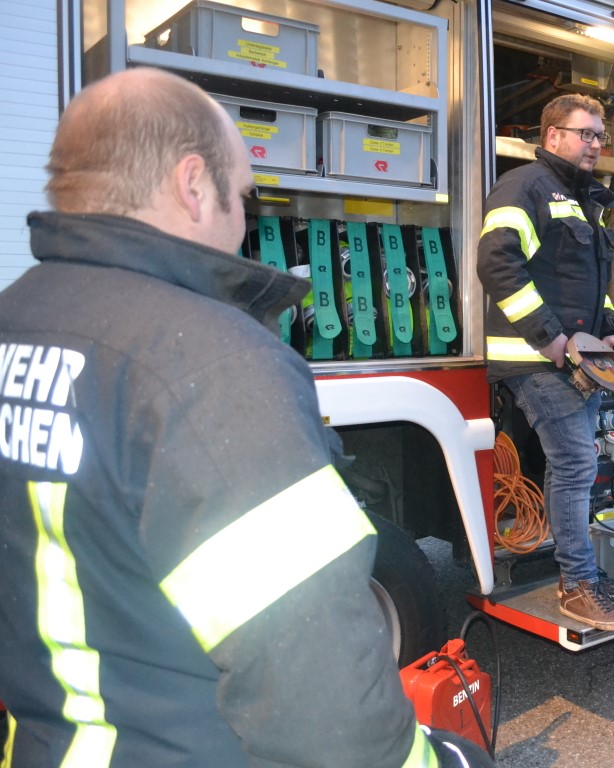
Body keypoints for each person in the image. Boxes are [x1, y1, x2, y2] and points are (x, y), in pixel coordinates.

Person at [0, 68, 491, 767]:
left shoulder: (17, 322)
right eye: (242, 195)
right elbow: (323, 705)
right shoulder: (213, 364)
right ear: (192, 184)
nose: (243, 221)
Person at [477, 94, 614, 631]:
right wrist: (551, 339)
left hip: (576, 361)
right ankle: (577, 585)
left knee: (576, 466)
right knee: (575, 464)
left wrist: (609, 330)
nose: (594, 144)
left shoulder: (582, 199)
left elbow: (589, 289)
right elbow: (496, 263)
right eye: (584, 134)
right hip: (534, 359)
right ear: (552, 136)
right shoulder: (524, 187)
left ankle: (582, 571)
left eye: (599, 136)